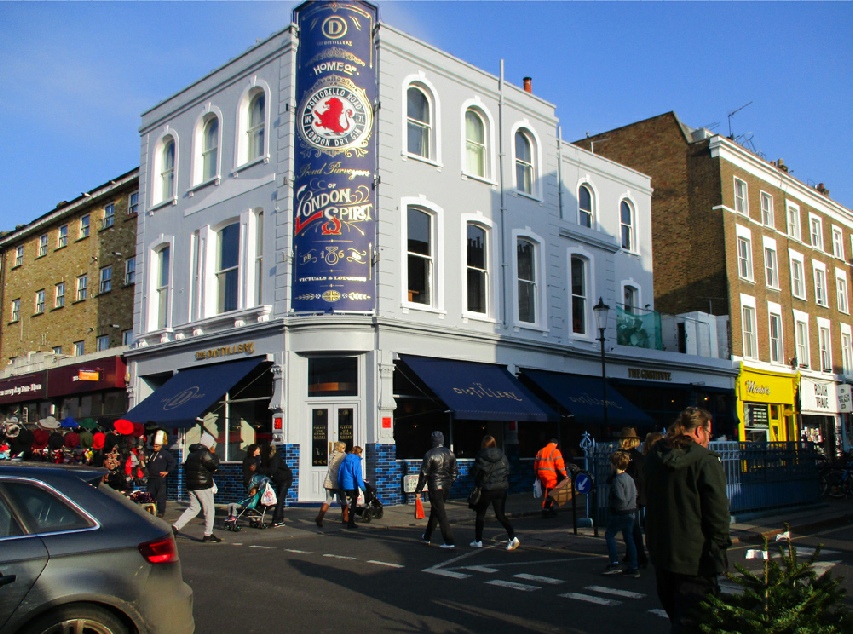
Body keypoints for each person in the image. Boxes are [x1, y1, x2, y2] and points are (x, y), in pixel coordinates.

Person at [645, 407, 731, 632]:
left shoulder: (655, 457)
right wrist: (718, 551)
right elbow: (718, 514)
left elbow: (646, 498)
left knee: (677, 616)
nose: (709, 440)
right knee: (696, 622)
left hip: (663, 555)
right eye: (709, 435)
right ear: (700, 431)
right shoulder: (706, 461)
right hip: (696, 560)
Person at [469, 435, 519, 551]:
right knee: (500, 515)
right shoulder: (503, 456)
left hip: (486, 489)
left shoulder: (480, 456)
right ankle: (512, 537)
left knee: (480, 514)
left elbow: (475, 473)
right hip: (501, 489)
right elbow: (508, 470)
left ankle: (478, 540)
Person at [173, 432, 222, 543]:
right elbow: (214, 465)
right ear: (208, 444)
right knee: (209, 510)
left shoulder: (191, 454)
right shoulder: (205, 453)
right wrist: (214, 455)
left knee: (193, 508)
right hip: (203, 485)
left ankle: (175, 527)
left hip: (191, 485)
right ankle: (208, 534)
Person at [414, 431, 457, 548]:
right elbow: (454, 472)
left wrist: (418, 490)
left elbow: (424, 474)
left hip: (434, 486)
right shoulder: (450, 453)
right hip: (446, 486)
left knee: (440, 513)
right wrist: (449, 482)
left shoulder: (429, 454)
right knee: (436, 511)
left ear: (433, 441)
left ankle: (449, 541)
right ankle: (427, 536)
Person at [602, 450, 638, 577]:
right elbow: (635, 494)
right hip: (631, 512)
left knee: (609, 535)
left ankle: (614, 563)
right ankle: (634, 566)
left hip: (619, 512)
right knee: (629, 538)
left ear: (614, 464)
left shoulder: (617, 480)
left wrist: (616, 508)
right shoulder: (629, 478)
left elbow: (620, 498)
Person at [620, 427, 649, 569]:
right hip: (639, 495)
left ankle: (639, 556)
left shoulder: (623, 457)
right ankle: (632, 554)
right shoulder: (639, 457)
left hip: (628, 496)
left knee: (631, 528)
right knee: (631, 526)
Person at [259, 441, 293, 528]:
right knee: (279, 500)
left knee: (280, 499)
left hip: (285, 479)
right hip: (278, 480)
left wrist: (259, 469)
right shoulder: (266, 458)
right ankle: (280, 519)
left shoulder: (275, 457)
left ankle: (275, 520)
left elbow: (272, 470)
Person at [315, 441, 349, 528]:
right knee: (343, 500)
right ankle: (345, 518)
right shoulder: (343, 456)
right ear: (339, 448)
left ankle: (320, 517)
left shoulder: (332, 455)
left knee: (328, 500)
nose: (344, 449)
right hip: (339, 482)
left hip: (329, 481)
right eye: (342, 448)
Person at [146, 430, 176, 517]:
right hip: (151, 477)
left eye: (157, 446)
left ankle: (161, 511)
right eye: (154, 446)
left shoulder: (165, 453)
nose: (154, 448)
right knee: (150, 495)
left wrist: (167, 471)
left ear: (160, 445)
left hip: (160, 478)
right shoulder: (151, 453)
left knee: (161, 496)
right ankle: (151, 510)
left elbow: (173, 462)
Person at [534, 438, 567, 517]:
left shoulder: (540, 451)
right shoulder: (555, 451)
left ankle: (551, 509)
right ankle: (545, 510)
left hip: (542, 475)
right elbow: (560, 465)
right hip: (550, 476)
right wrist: (565, 475)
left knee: (547, 492)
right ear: (555, 444)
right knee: (550, 494)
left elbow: (536, 464)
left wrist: (537, 475)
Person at [338, 446, 367, 530]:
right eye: (360, 452)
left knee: (347, 502)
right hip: (352, 485)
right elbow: (357, 475)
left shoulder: (344, 460)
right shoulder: (356, 461)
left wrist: (340, 484)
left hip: (344, 485)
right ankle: (350, 522)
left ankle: (346, 518)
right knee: (354, 503)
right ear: (358, 453)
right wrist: (362, 487)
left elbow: (340, 472)